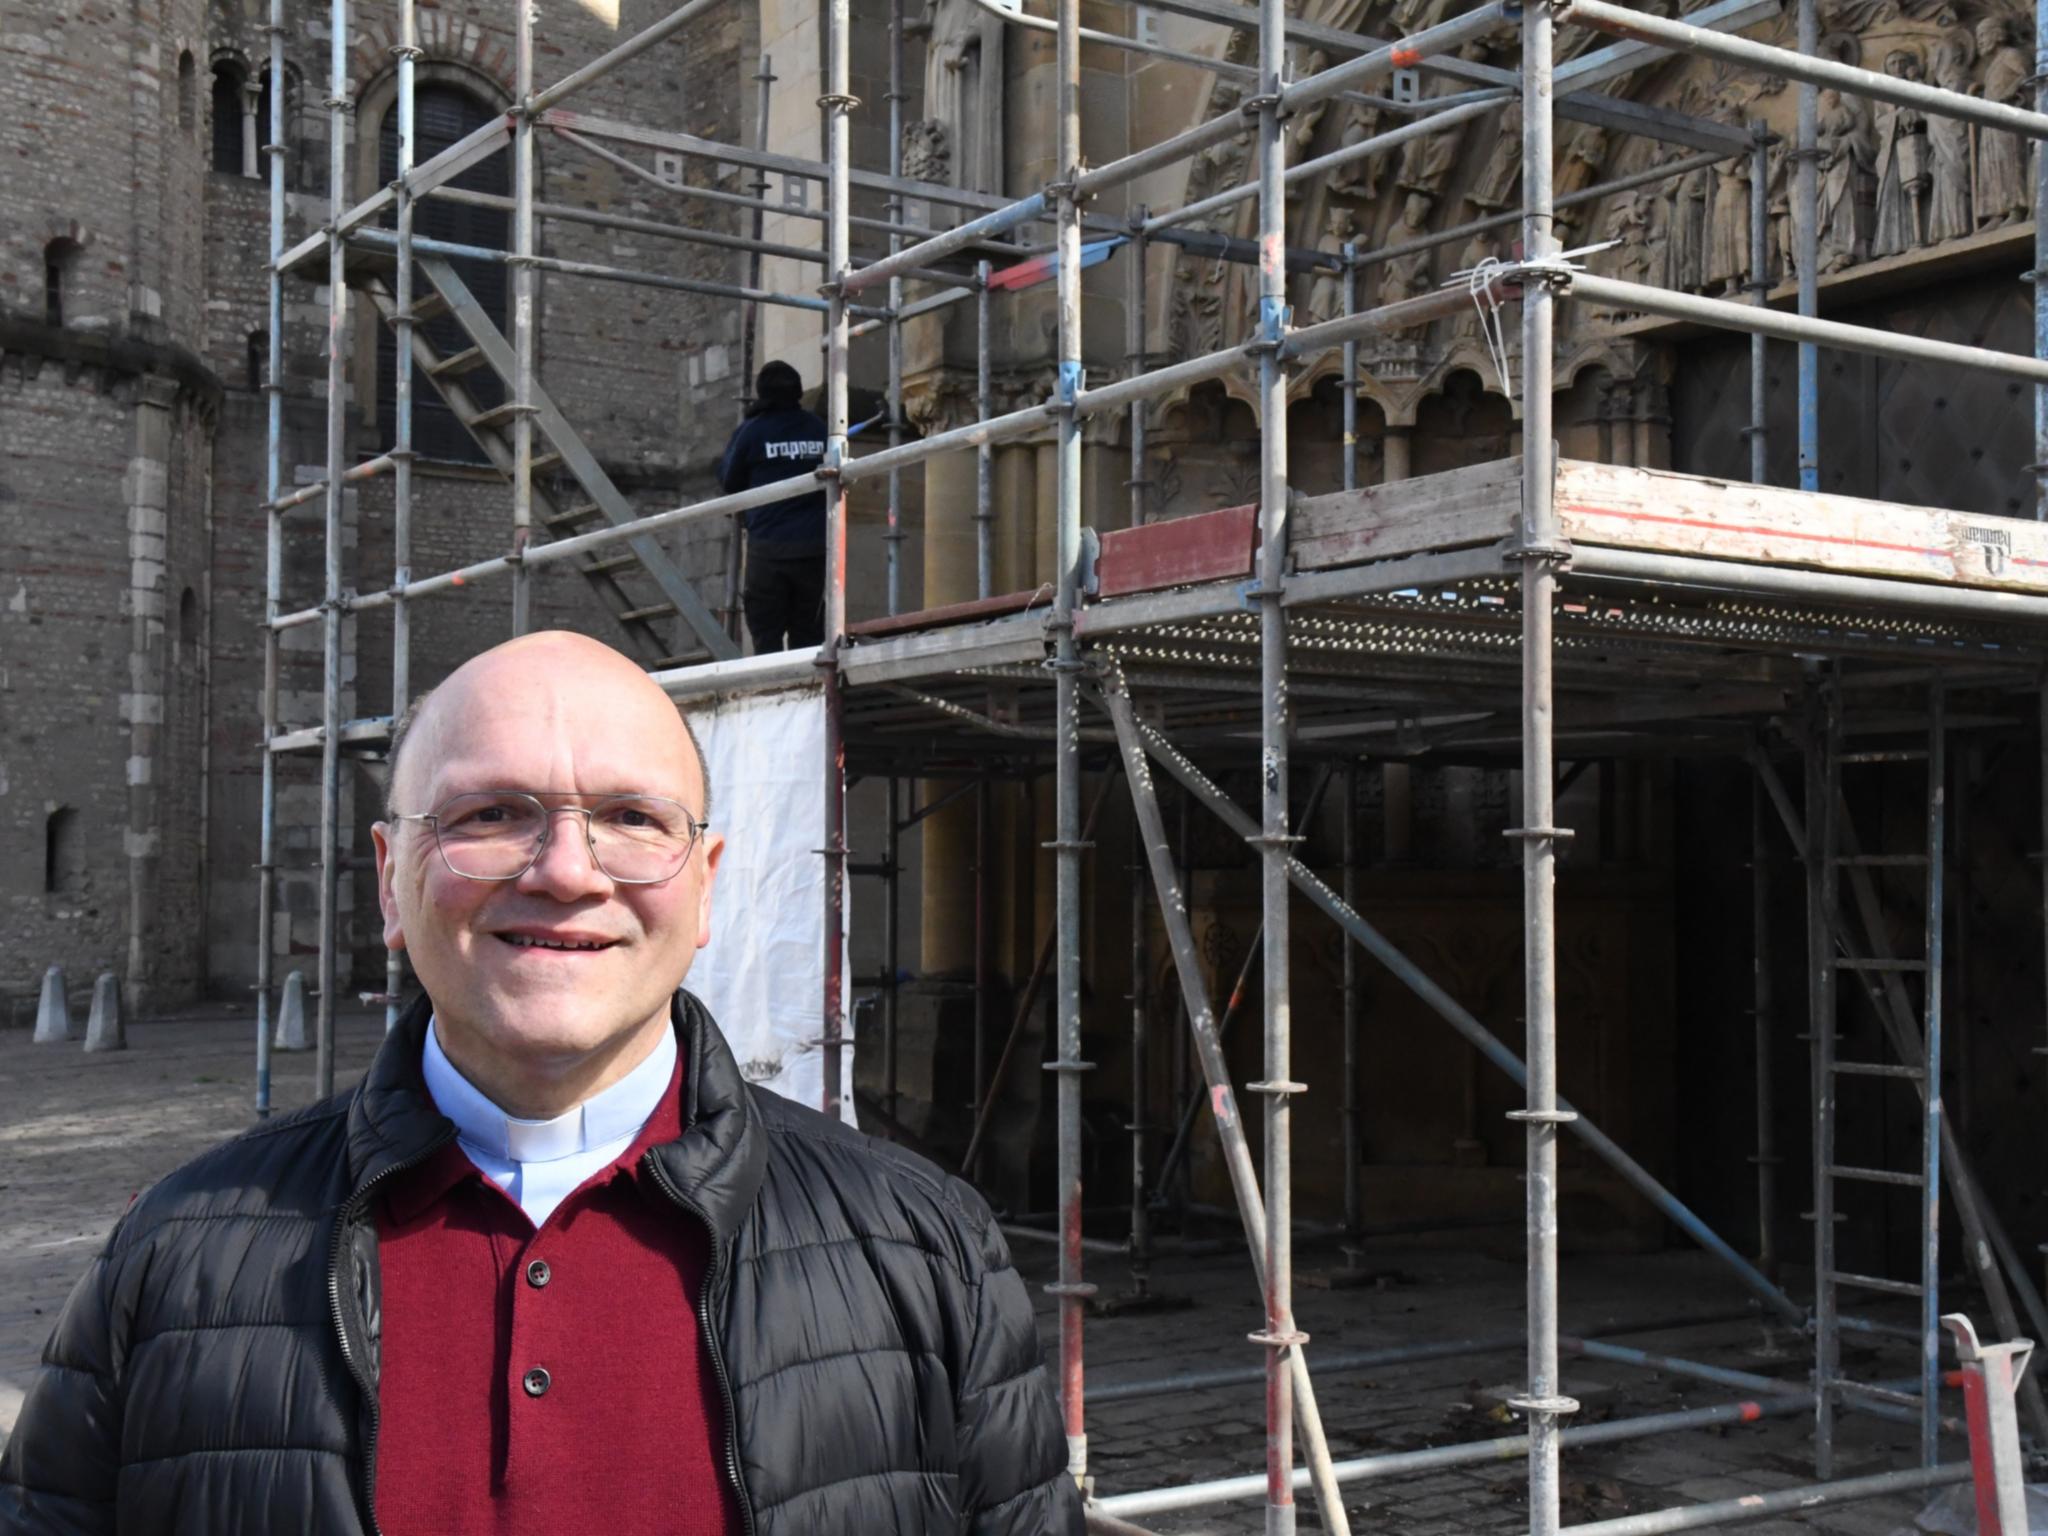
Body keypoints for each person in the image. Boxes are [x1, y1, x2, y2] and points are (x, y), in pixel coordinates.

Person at [0, 631, 1084, 1536]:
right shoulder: (176, 1256)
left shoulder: (924, 1247)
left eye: (633, 819)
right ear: (390, 880)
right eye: (490, 815)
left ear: (703, 889)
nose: (566, 871)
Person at [719, 361, 828, 654]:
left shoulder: (752, 431)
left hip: (768, 549)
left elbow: (729, 480)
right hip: (815, 549)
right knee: (810, 637)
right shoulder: (818, 428)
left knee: (766, 636)